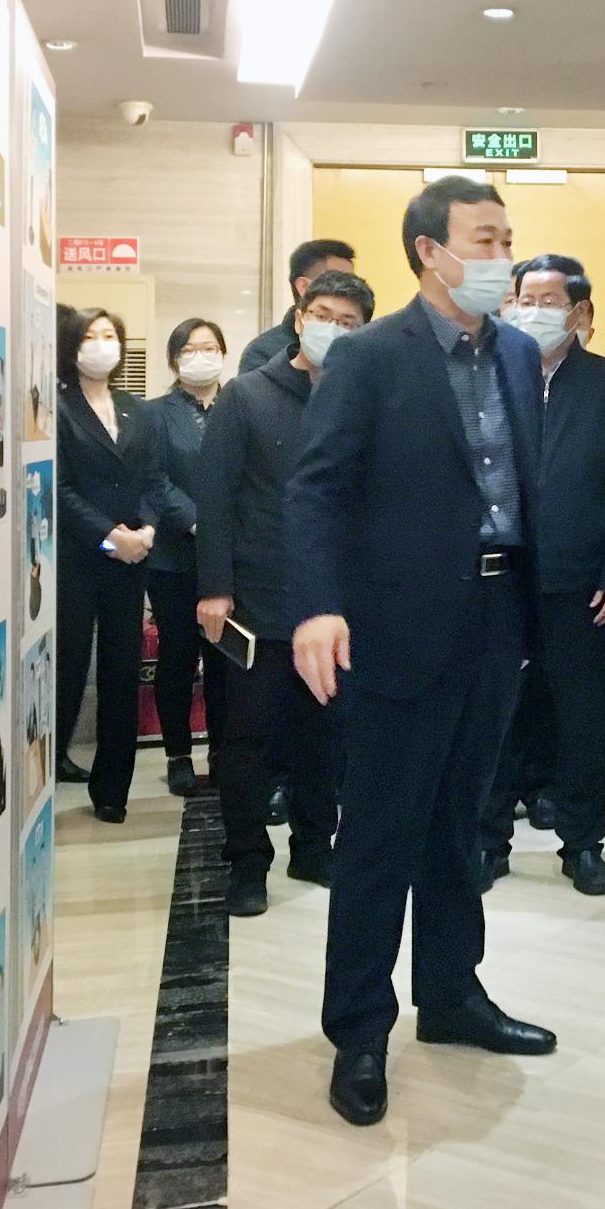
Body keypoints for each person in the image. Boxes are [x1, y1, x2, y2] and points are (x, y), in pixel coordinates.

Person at [286, 176, 555, 1128]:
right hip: (397, 623)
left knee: (461, 822)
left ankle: (451, 994)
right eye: (484, 239)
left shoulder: (517, 352)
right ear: (428, 251)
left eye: (507, 238)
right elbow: (317, 488)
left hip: (496, 615)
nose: (501, 256)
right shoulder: (370, 355)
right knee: (381, 831)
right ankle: (360, 1027)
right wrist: (318, 606)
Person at [199, 271, 374, 915]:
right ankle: (247, 862)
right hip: (257, 601)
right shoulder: (247, 395)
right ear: (299, 318)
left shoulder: (365, 399)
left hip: (336, 604)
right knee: (248, 740)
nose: (333, 329)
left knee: (325, 735)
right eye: (322, 315)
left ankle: (313, 846)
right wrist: (215, 588)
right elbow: (215, 498)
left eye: (349, 322)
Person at [480, 256, 605, 897]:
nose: (533, 312)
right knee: (496, 713)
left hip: (581, 584)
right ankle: (488, 840)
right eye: (524, 299)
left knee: (582, 719)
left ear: (579, 312)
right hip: (502, 577)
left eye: (549, 302)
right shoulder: (491, 374)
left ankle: (583, 844)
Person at [57, 307, 161, 824]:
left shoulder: (137, 410)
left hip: (132, 557)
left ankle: (112, 789)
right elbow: (59, 487)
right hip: (78, 558)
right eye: (90, 336)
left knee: (122, 674)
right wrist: (108, 537)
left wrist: (147, 531)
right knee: (69, 667)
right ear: (72, 346)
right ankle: (49, 765)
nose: (102, 344)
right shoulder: (57, 407)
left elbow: (154, 481)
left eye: (109, 335)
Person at [145, 318, 232, 798]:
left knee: (226, 661)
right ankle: (178, 754)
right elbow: (153, 478)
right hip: (175, 556)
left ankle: (223, 751)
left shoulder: (239, 404)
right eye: (190, 349)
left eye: (210, 347)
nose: (201, 356)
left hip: (231, 557)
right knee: (178, 656)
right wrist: (196, 521)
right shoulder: (155, 414)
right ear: (174, 358)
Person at [238, 238, 357, 374]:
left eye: (353, 283)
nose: (349, 291)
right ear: (304, 287)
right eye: (339, 281)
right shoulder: (264, 353)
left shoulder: (359, 341)